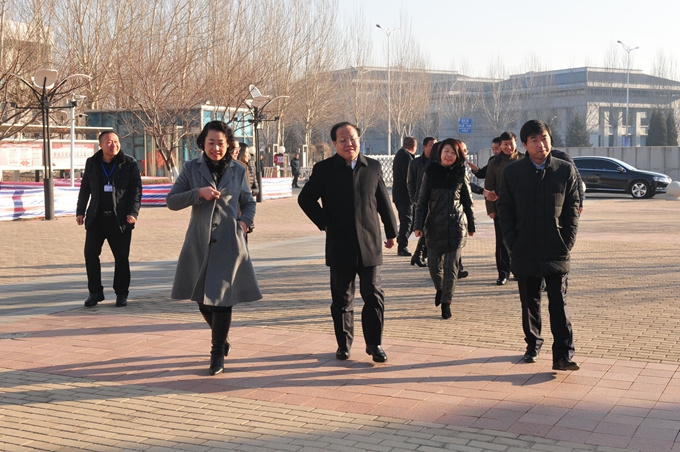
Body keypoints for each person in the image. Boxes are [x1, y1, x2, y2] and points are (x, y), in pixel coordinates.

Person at [166, 121, 261, 376]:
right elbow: (172, 201)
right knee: (202, 301)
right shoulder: (191, 168)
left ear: (228, 145)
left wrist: (243, 223)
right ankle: (222, 337)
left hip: (229, 244)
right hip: (199, 243)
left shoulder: (238, 169)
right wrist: (199, 193)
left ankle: (217, 352)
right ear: (203, 143)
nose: (216, 148)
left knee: (222, 301)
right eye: (211, 143)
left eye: (221, 143)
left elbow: (248, 203)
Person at [298, 121, 398, 363]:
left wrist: (391, 232)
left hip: (370, 242)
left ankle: (374, 344)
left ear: (359, 139)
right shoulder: (324, 169)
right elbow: (305, 198)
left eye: (352, 138)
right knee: (342, 298)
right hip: (340, 242)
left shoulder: (372, 167)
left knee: (373, 294)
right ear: (334, 143)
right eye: (343, 140)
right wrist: (324, 222)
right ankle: (343, 344)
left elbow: (383, 202)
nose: (348, 144)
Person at [496, 119, 580, 371]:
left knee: (559, 303)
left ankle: (563, 355)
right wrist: (513, 240)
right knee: (529, 301)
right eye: (534, 139)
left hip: (556, 247)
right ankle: (533, 344)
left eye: (544, 138)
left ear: (550, 140)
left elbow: (572, 207)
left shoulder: (564, 170)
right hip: (525, 246)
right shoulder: (512, 172)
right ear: (524, 144)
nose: (540, 144)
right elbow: (504, 208)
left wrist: (567, 240)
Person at [76, 131, 142, 308]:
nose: (113, 145)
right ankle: (95, 292)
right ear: (100, 145)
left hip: (120, 219)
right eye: (109, 142)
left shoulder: (129, 163)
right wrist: (80, 211)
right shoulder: (92, 163)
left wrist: (133, 212)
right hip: (96, 218)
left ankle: (121, 293)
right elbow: (85, 188)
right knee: (90, 254)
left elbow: (136, 190)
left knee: (121, 257)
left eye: (116, 141)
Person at [414, 139, 475, 319]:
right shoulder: (430, 173)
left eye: (453, 152)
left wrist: (471, 225)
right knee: (434, 267)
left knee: (451, 267)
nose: (449, 155)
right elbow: (422, 202)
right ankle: (440, 289)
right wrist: (418, 225)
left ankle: (446, 301)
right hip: (434, 227)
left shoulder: (460, 173)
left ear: (458, 156)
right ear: (439, 153)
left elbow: (468, 202)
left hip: (456, 227)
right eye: (446, 151)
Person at [485, 131, 523, 285]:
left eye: (511, 143)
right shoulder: (494, 163)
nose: (508, 147)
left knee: (521, 240)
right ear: (500, 145)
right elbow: (489, 186)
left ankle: (519, 271)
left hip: (522, 208)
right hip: (502, 208)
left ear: (516, 143)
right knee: (502, 242)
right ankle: (503, 273)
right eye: (505, 144)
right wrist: (490, 209)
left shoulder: (524, 159)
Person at [407, 137, 437, 267]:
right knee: (424, 228)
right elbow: (410, 183)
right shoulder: (415, 163)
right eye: (432, 145)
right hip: (421, 202)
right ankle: (420, 254)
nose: (435, 147)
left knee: (429, 229)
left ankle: (420, 254)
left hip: (435, 202)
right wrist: (415, 198)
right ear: (424, 147)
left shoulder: (438, 162)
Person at [392, 136, 418, 256]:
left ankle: (401, 239)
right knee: (407, 220)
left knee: (410, 220)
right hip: (405, 195)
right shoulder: (406, 157)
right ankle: (402, 246)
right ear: (414, 147)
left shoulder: (400, 154)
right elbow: (409, 176)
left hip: (400, 194)